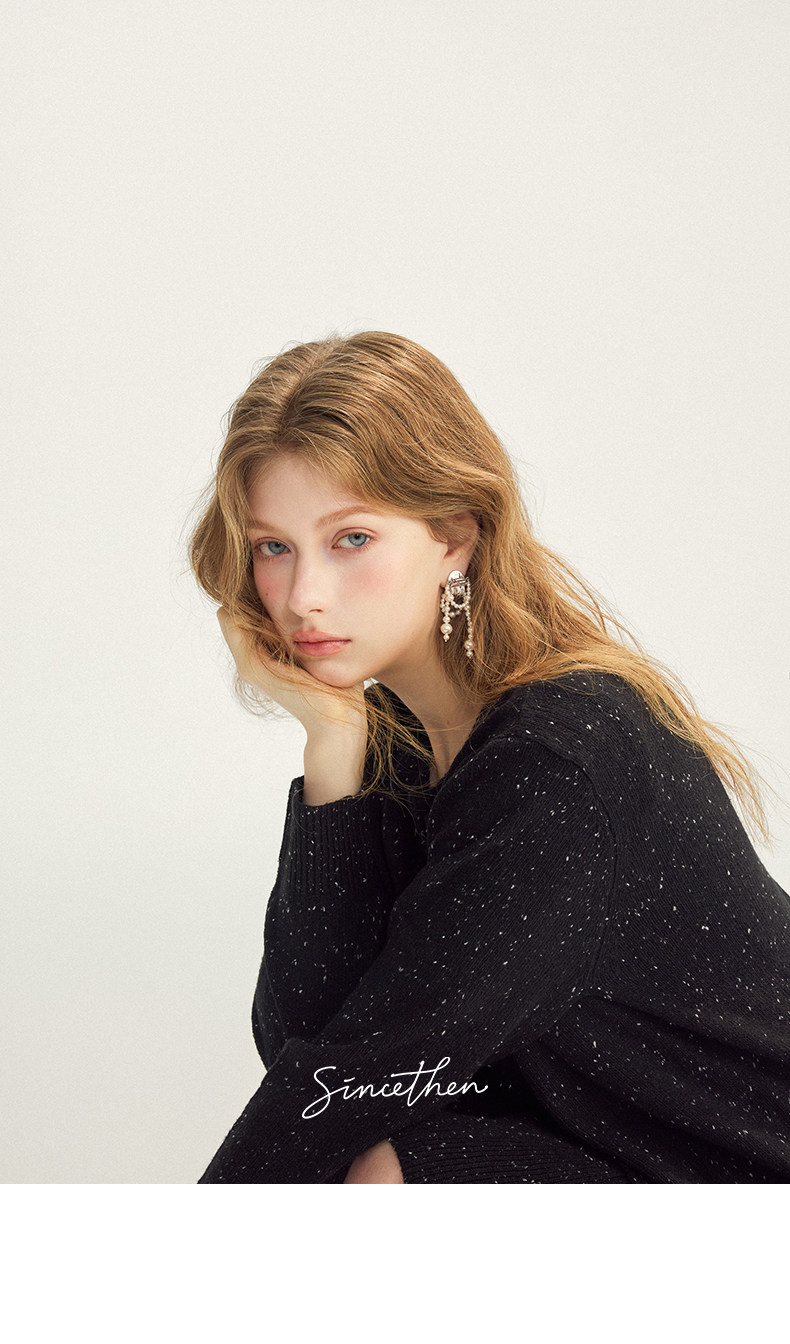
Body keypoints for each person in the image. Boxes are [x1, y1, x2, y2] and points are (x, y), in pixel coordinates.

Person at [186, 329, 790, 1183]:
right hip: (619, 1158)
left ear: (456, 537)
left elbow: (334, 1095)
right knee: (393, 1163)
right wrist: (332, 750)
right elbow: (310, 1056)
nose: (302, 596)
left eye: (351, 539)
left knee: (379, 1175)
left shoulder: (556, 760)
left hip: (745, 1177)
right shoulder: (398, 742)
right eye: (272, 547)